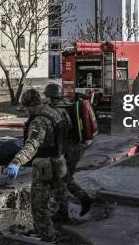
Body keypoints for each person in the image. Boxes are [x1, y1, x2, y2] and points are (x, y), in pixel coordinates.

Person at [5, 88, 67, 242]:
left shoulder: (39, 120)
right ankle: (47, 227)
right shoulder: (53, 112)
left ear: (31, 105)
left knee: (39, 204)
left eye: (26, 108)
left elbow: (32, 144)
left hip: (45, 167)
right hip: (59, 162)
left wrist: (16, 161)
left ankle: (47, 236)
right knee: (57, 197)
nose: (25, 112)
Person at [43, 83, 93, 222]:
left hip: (69, 150)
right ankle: (83, 200)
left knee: (60, 180)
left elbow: (59, 133)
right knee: (65, 178)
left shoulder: (57, 111)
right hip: (76, 147)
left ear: (51, 97)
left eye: (46, 96)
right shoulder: (68, 105)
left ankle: (64, 212)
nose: (45, 99)